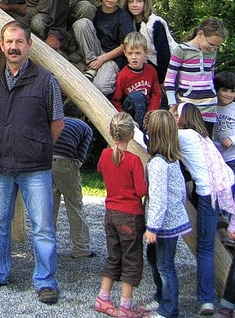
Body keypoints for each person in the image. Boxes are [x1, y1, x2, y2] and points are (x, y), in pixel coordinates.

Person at [0, 21, 64, 304]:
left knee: (43, 226)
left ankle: (45, 280)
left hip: (35, 166)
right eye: (8, 42)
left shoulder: (46, 80)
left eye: (19, 42)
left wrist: (36, 144)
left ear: (29, 45)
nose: (13, 46)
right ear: (2, 45)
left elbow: (57, 123)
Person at [177, 103, 235, 316]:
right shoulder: (203, 137)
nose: (174, 117)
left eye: (176, 114)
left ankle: (206, 299)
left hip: (210, 193)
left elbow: (153, 138)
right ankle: (222, 217)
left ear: (183, 117)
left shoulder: (182, 135)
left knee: (205, 247)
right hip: (228, 185)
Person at [95, 112, 147, 318]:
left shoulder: (105, 155)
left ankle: (103, 298)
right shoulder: (134, 161)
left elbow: (101, 169)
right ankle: (125, 306)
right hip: (130, 216)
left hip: (111, 214)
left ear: (110, 132)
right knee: (131, 259)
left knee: (113, 256)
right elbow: (141, 191)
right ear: (132, 135)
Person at [143, 110, 192, 318]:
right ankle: (161, 297)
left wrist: (152, 227)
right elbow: (182, 192)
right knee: (155, 260)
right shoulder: (172, 161)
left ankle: (169, 309)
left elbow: (158, 198)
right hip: (170, 220)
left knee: (164, 266)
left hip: (164, 225)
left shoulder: (158, 164)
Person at [72, 0, 135, 95]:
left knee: (99, 87)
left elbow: (126, 46)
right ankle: (91, 68)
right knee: (81, 23)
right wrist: (95, 60)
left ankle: (96, 73)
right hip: (93, 54)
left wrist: (102, 59)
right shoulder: (95, 12)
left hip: (112, 58)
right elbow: (85, 33)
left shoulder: (123, 17)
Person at [164, 17, 227, 134]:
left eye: (216, 46)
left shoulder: (212, 52)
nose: (213, 48)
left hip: (209, 108)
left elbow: (210, 75)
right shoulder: (181, 50)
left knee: (206, 145)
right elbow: (169, 80)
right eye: (211, 44)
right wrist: (172, 104)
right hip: (187, 107)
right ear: (200, 34)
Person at [52, 103, 94, 260]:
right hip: (66, 163)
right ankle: (81, 248)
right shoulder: (85, 127)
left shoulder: (57, 121)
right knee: (74, 205)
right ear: (81, 116)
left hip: (47, 161)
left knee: (50, 206)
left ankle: (47, 247)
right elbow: (80, 157)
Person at [125, 0, 178, 85]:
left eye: (139, 1)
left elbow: (164, 54)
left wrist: (162, 81)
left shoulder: (154, 24)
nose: (134, 5)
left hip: (163, 70)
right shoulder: (128, 23)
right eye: (131, 1)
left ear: (146, 3)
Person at [111, 32, 161, 130]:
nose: (134, 57)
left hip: (146, 108)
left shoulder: (151, 70)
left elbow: (156, 94)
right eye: (130, 53)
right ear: (125, 53)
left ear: (146, 52)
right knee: (136, 96)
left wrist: (151, 113)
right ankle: (141, 129)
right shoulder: (123, 75)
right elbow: (116, 101)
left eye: (138, 53)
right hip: (130, 111)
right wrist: (127, 119)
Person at [213, 71, 235, 172]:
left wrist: (232, 140)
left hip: (232, 157)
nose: (228, 95)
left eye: (232, 91)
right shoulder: (211, 108)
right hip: (214, 156)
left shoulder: (233, 108)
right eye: (224, 90)